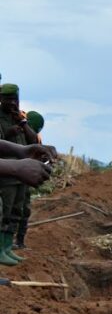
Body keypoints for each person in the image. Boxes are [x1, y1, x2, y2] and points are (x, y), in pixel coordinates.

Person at [0, 84, 37, 265]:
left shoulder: (18, 117)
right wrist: (8, 133)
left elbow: (33, 140)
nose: (13, 103)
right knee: (4, 213)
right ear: (1, 99)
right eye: (9, 99)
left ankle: (7, 247)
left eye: (15, 99)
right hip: (6, 173)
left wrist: (23, 123)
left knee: (17, 211)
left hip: (22, 174)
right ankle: (1, 250)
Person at [13, 111, 45, 249]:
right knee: (12, 210)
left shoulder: (34, 137)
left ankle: (19, 242)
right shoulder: (17, 131)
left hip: (24, 178)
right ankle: (8, 243)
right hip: (12, 176)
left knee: (23, 210)